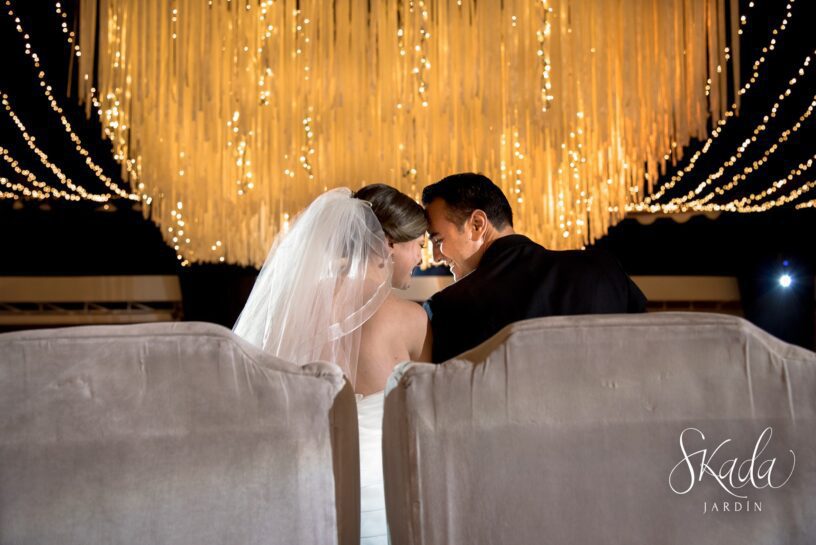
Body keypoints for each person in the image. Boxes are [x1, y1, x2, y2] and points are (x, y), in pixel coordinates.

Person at [233, 184, 430, 545]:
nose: (422, 257)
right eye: (418, 243)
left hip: (299, 481)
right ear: (387, 244)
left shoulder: (294, 307)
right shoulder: (410, 318)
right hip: (377, 487)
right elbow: (430, 415)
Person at [422, 172, 647, 363]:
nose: (435, 255)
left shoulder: (449, 307)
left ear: (477, 224)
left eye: (438, 239)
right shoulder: (603, 269)